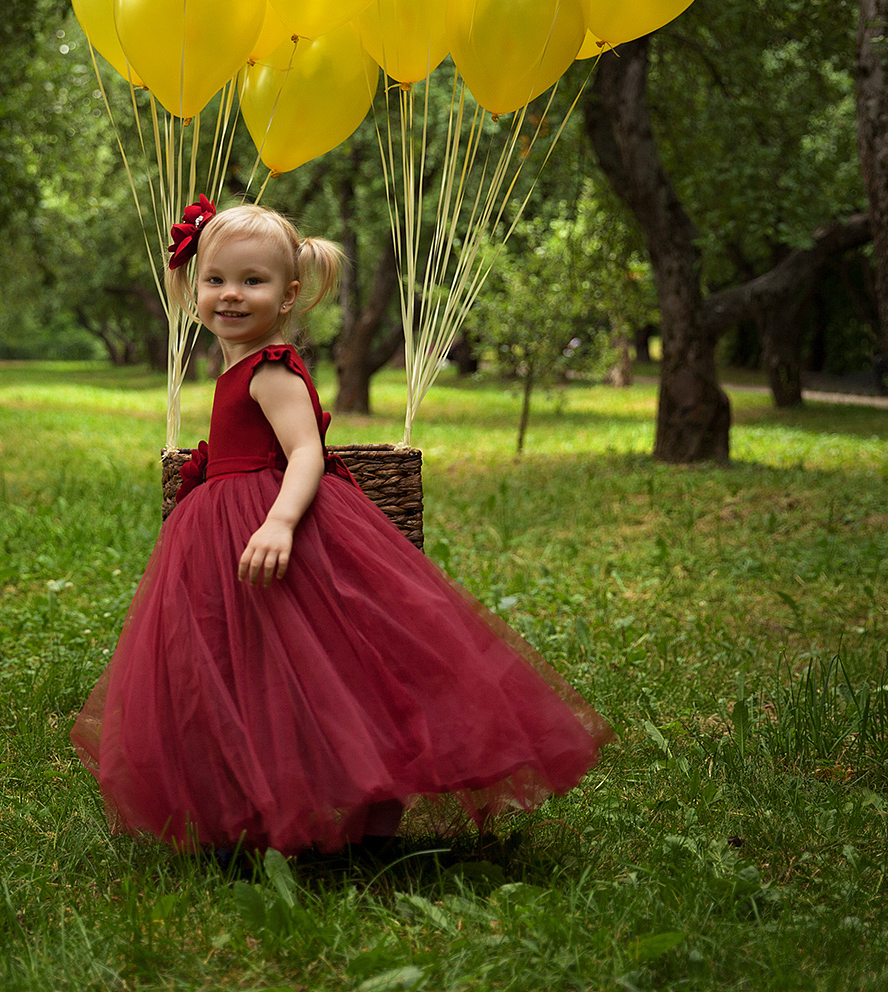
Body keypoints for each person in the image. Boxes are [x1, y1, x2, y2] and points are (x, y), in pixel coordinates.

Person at [71, 199, 612, 855]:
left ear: (290, 294)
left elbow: (305, 454)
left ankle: (362, 801)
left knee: (324, 667)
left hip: (273, 520)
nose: (231, 295)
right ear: (191, 288)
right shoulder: (237, 361)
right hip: (224, 525)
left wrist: (278, 523)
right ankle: (259, 801)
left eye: (253, 281)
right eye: (215, 280)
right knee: (250, 667)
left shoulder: (271, 370)